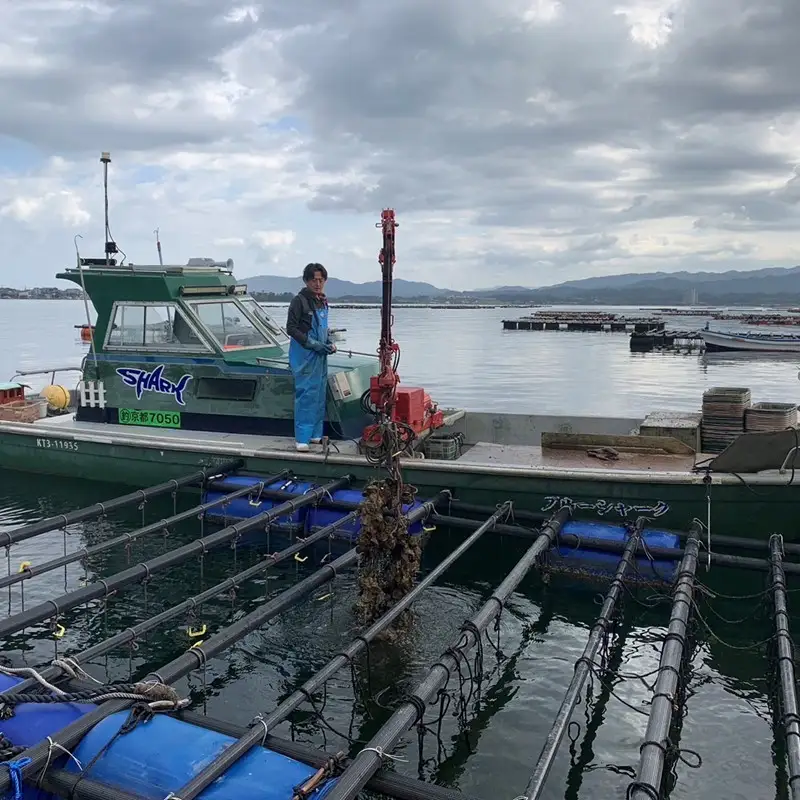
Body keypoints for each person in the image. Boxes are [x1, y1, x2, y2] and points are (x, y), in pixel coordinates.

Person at [286, 263, 336, 451]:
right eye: (314, 280)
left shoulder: (322, 300)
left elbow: (323, 328)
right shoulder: (299, 301)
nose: (317, 284)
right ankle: (302, 439)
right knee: (306, 395)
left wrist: (329, 342)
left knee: (319, 395)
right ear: (306, 281)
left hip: (320, 355)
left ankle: (315, 434)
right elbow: (291, 328)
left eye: (321, 280)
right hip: (305, 355)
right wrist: (312, 344)